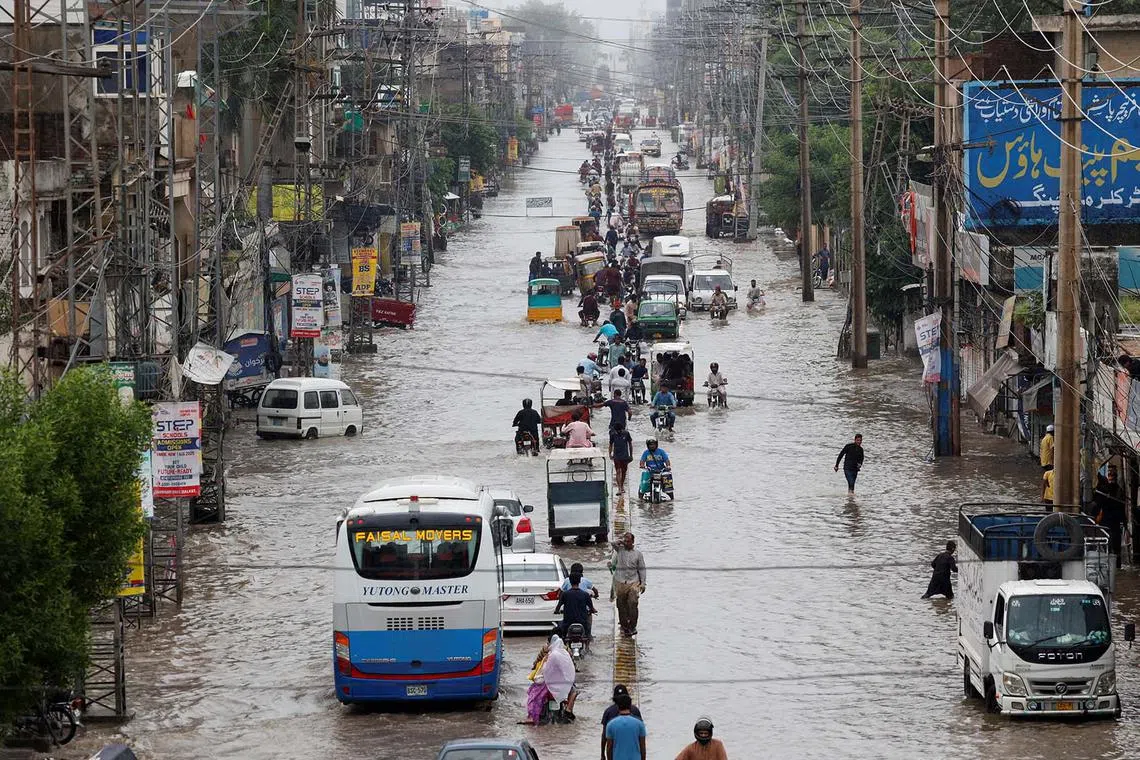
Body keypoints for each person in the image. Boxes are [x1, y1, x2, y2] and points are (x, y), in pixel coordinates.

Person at [609, 532, 647, 637]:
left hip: (633, 582)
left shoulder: (638, 554)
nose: (626, 543)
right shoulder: (620, 550)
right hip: (620, 582)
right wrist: (620, 541)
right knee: (621, 605)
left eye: (628, 541)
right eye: (625, 541)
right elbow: (612, 543)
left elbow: (642, 569)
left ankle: (633, 626)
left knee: (633, 603)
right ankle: (625, 627)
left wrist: (643, 583)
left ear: (633, 542)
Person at [1094, 464, 1126, 568]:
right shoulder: (1103, 489)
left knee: (1114, 545)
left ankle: (1115, 566)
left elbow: (1122, 507)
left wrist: (1124, 524)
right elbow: (1098, 504)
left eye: (1112, 474)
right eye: (1109, 473)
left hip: (1114, 521)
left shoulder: (1118, 490)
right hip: (1107, 520)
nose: (1111, 475)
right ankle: (1111, 566)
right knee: (1107, 544)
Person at [601, 685, 643, 760]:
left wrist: (602, 754)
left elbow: (605, 738)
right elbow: (642, 742)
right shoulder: (636, 713)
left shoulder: (608, 713)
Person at [555, 574, 597, 638]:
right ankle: (587, 646)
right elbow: (592, 608)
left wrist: (557, 611)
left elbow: (558, 607)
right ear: (579, 581)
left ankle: (564, 644)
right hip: (582, 622)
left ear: (570, 581)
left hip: (568, 622)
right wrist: (593, 611)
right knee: (588, 631)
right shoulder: (585, 594)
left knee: (560, 630)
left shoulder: (565, 594)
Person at [610, 421, 635, 493]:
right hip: (616, 456)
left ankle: (622, 485)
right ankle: (619, 488)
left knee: (624, 472)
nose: (618, 432)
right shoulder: (613, 434)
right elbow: (611, 444)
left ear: (622, 429)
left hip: (625, 456)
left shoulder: (626, 434)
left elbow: (630, 444)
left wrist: (631, 455)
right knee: (618, 471)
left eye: (619, 430)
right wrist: (610, 454)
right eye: (617, 431)